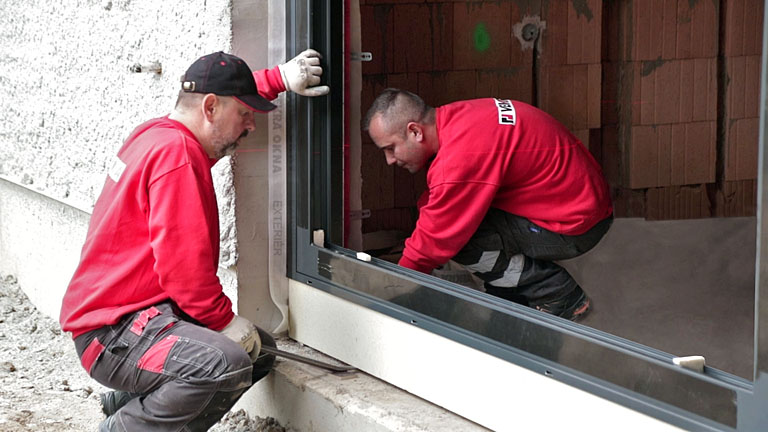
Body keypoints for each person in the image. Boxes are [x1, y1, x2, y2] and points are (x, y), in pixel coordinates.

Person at [59, 49, 329, 432]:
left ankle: (128, 406)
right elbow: (183, 272)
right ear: (210, 108)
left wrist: (278, 80)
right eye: (245, 113)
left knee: (260, 352)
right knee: (225, 362)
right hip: (114, 331)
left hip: (136, 315)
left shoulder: (159, 135)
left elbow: (221, 95)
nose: (251, 125)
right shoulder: (177, 156)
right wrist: (224, 322)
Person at [363, 89, 613, 321]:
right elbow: (436, 202)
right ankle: (510, 291)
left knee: (461, 241)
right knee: (448, 221)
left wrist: (396, 288)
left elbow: (432, 240)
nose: (389, 160)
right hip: (580, 202)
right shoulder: (456, 117)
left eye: (391, 148)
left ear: (415, 131)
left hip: (575, 226)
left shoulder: (460, 158)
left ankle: (555, 291)